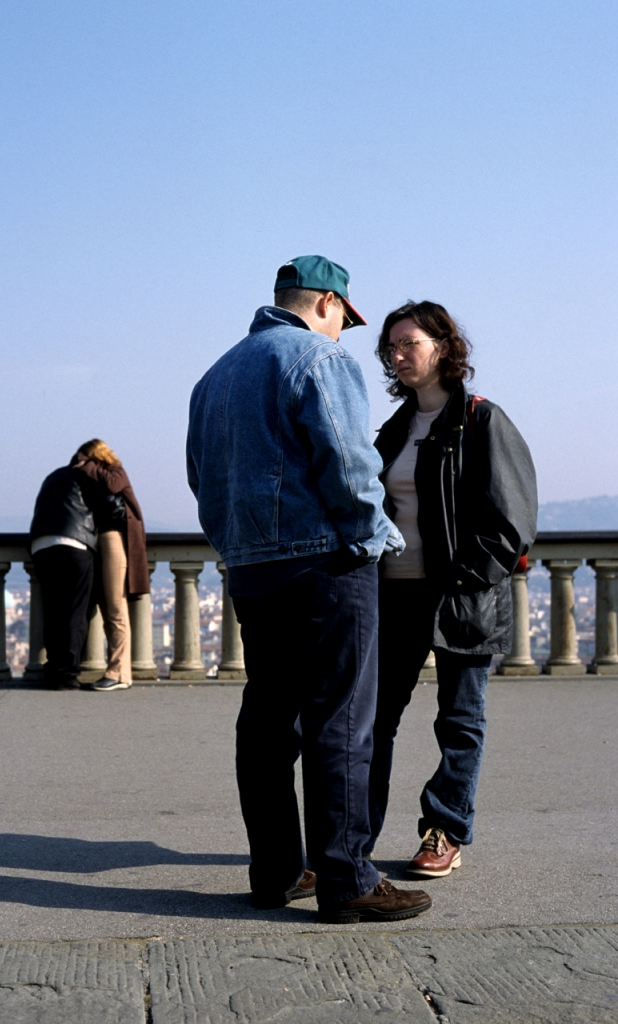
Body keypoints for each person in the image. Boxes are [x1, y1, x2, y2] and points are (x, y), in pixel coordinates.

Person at [187, 255, 432, 924]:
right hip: (326, 564)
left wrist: (241, 549)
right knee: (342, 721)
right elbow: (351, 468)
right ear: (328, 302)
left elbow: (200, 479)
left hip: (253, 570)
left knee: (267, 721)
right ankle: (347, 878)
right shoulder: (320, 362)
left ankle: (275, 871)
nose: (344, 334)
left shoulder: (214, 378)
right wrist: (375, 539)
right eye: (345, 321)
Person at [365, 300, 537, 877]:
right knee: (373, 718)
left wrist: (463, 577)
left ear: (443, 345)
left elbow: (511, 522)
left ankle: (445, 829)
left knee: (460, 720)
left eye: (409, 342)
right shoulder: (392, 429)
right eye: (391, 345)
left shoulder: (483, 420)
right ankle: (353, 836)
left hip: (461, 595)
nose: (397, 354)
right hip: (393, 594)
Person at [74, 440, 150, 692]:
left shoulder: (115, 471)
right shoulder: (97, 473)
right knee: (108, 607)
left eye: (84, 458)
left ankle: (117, 672)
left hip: (114, 538)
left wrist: (89, 466)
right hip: (100, 539)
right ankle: (121, 673)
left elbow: (113, 484)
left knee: (116, 608)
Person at [29, 455, 102, 690]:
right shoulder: (87, 477)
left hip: (41, 546)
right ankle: (66, 674)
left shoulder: (53, 476)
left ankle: (53, 669)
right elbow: (108, 509)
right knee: (74, 612)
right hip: (75, 545)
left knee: (53, 610)